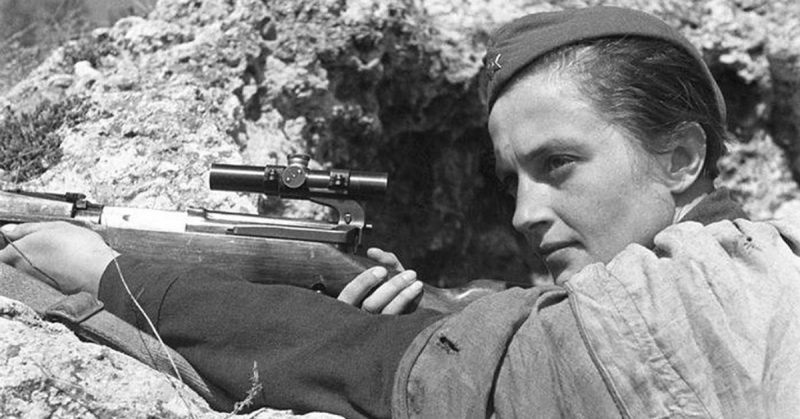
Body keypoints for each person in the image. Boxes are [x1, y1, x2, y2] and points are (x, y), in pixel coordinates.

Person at [2, 5, 799, 418]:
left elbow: (388, 370)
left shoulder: (704, 300)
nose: (525, 212)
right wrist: (450, 306)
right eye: (511, 178)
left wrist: (105, 271)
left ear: (683, 157)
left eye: (559, 163)